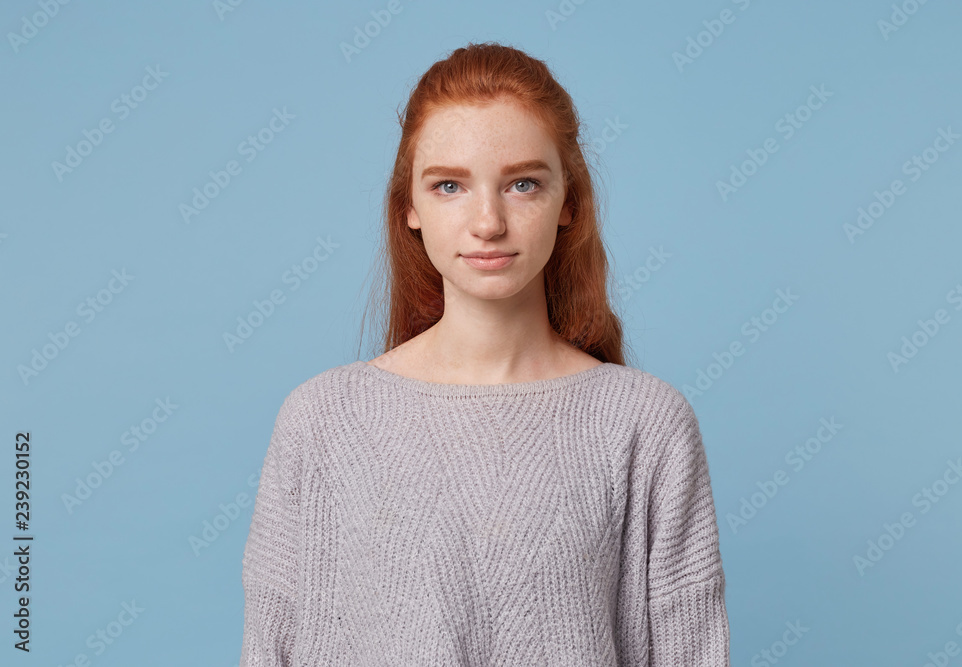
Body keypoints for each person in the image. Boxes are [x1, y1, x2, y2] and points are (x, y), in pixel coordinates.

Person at [240, 41, 730, 666]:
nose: (488, 221)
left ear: (568, 204)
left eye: (523, 183)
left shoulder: (644, 425)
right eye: (450, 186)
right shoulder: (322, 423)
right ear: (409, 209)